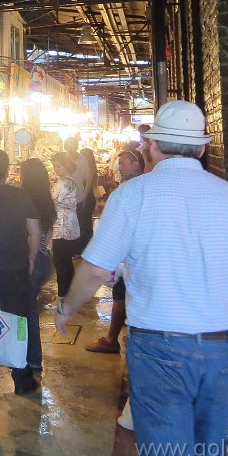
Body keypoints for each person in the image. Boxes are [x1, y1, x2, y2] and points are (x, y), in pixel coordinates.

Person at [55, 101, 228, 456]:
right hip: (223, 352)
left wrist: (68, 308)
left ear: (152, 146)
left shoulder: (132, 197)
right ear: (202, 148)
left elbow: (98, 268)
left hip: (159, 353)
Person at [0, 149, 42, 394]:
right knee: (18, 321)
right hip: (15, 267)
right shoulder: (20, 195)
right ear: (7, 171)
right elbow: (35, 231)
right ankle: (22, 378)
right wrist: (31, 258)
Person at [85, 148, 144, 355]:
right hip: (133, 254)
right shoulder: (138, 186)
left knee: (120, 295)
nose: (119, 167)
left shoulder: (131, 189)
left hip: (129, 255)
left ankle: (112, 340)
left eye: (124, 163)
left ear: (137, 164)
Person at [19, 157, 56, 371]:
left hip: (31, 260)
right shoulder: (46, 200)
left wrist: (30, 258)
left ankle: (30, 358)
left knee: (27, 311)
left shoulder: (24, 200)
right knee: (29, 308)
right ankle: (30, 357)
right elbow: (48, 233)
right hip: (44, 258)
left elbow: (31, 234)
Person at [48, 152, 81, 307]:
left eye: (58, 166)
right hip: (69, 225)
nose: (56, 169)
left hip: (62, 226)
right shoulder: (68, 181)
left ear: (66, 166)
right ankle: (69, 296)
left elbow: (53, 203)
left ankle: (61, 298)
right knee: (66, 262)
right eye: (54, 166)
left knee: (61, 263)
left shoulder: (63, 183)